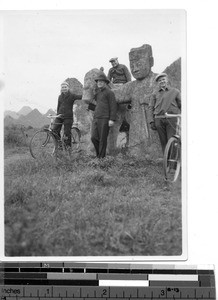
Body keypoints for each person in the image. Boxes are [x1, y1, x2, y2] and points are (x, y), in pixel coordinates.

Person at [148, 73, 181, 153]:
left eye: (163, 79)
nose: (162, 81)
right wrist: (151, 121)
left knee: (172, 140)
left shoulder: (175, 91)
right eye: (159, 80)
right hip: (159, 119)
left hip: (172, 118)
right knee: (163, 142)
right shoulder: (154, 93)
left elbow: (181, 105)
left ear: (167, 80)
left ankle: (173, 163)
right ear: (158, 83)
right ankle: (166, 163)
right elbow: (150, 107)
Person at [91, 73, 117, 158]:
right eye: (98, 81)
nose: (99, 83)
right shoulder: (98, 93)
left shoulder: (110, 93)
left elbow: (113, 106)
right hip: (96, 118)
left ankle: (101, 158)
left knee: (102, 139)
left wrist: (112, 119)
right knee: (93, 137)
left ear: (105, 83)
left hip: (105, 118)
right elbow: (96, 104)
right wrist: (90, 108)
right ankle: (99, 155)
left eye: (101, 81)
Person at [53, 81, 82, 149]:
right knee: (54, 130)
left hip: (68, 117)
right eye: (62, 87)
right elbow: (58, 106)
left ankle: (68, 149)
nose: (64, 88)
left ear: (68, 88)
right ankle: (60, 145)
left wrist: (88, 95)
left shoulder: (72, 96)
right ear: (61, 88)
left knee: (66, 133)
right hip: (60, 116)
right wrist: (57, 114)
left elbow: (80, 96)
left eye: (65, 87)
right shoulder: (60, 97)